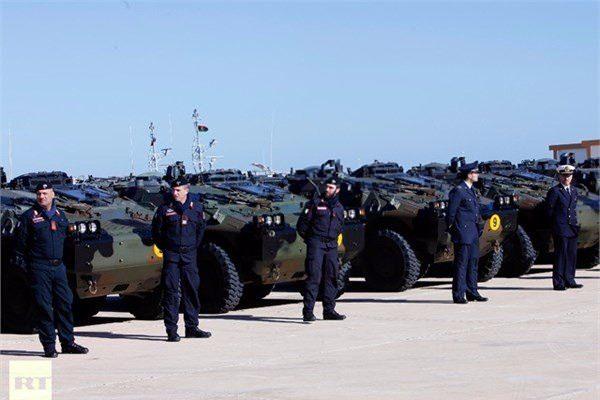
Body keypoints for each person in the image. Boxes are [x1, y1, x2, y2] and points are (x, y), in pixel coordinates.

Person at [14, 182, 88, 358]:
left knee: (65, 304)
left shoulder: (60, 215)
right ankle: (49, 346)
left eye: (45, 193)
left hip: (58, 267)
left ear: (53, 194)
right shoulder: (28, 217)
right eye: (39, 193)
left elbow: (67, 242)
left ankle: (68, 342)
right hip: (39, 267)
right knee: (44, 307)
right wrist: (30, 271)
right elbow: (19, 249)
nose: (41, 196)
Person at [151, 177, 211, 341]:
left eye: (178, 190)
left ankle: (192, 327)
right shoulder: (165, 208)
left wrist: (191, 247)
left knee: (191, 290)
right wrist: (168, 248)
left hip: (189, 255)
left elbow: (200, 230)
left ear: (186, 190)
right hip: (172, 255)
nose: (175, 193)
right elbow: (157, 232)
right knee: (171, 292)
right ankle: (171, 330)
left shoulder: (196, 207)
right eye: (173, 190)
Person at [297, 177, 346, 322]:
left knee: (332, 276)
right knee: (314, 276)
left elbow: (340, 226)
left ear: (337, 190)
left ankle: (329, 311)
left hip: (331, 245)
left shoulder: (339, 207)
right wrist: (312, 240)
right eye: (327, 187)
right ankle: (308, 312)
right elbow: (302, 226)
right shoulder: (315, 203)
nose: (327, 189)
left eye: (331, 187)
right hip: (316, 243)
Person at [446, 162, 488, 304]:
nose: (477, 175)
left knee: (473, 263)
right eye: (475, 172)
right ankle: (458, 294)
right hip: (463, 232)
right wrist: (453, 230)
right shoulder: (458, 191)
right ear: (469, 174)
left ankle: (472, 292)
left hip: (473, 232)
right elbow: (451, 213)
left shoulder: (471, 190)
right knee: (462, 264)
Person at [545, 164, 583, 291]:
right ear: (559, 176)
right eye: (564, 175)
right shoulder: (555, 191)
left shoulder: (574, 190)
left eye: (569, 175)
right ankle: (558, 282)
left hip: (572, 226)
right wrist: (555, 226)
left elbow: (573, 209)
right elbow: (549, 211)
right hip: (560, 227)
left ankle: (570, 279)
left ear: (572, 177)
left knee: (571, 254)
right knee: (561, 255)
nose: (566, 178)